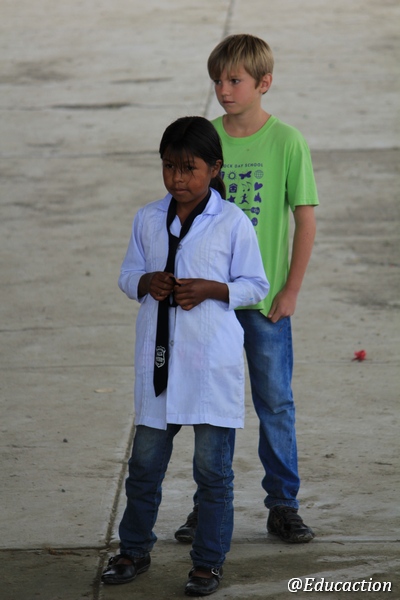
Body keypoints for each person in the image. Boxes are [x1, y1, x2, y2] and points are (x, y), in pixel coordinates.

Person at [101, 116, 269, 596]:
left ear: (214, 168)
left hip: (209, 367)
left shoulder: (232, 222)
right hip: (159, 365)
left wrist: (214, 289)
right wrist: (145, 282)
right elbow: (126, 274)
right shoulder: (148, 218)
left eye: (189, 168)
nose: (177, 178)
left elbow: (256, 284)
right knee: (144, 467)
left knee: (212, 473)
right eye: (169, 167)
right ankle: (133, 550)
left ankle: (207, 563)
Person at [175, 34, 319, 546]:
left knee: (274, 402)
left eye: (234, 80)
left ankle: (283, 505)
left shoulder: (287, 142)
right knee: (211, 405)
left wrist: (291, 289)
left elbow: (305, 219)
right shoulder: (206, 139)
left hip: (263, 303)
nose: (223, 90)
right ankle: (207, 506)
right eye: (217, 80)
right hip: (212, 299)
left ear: (264, 83)